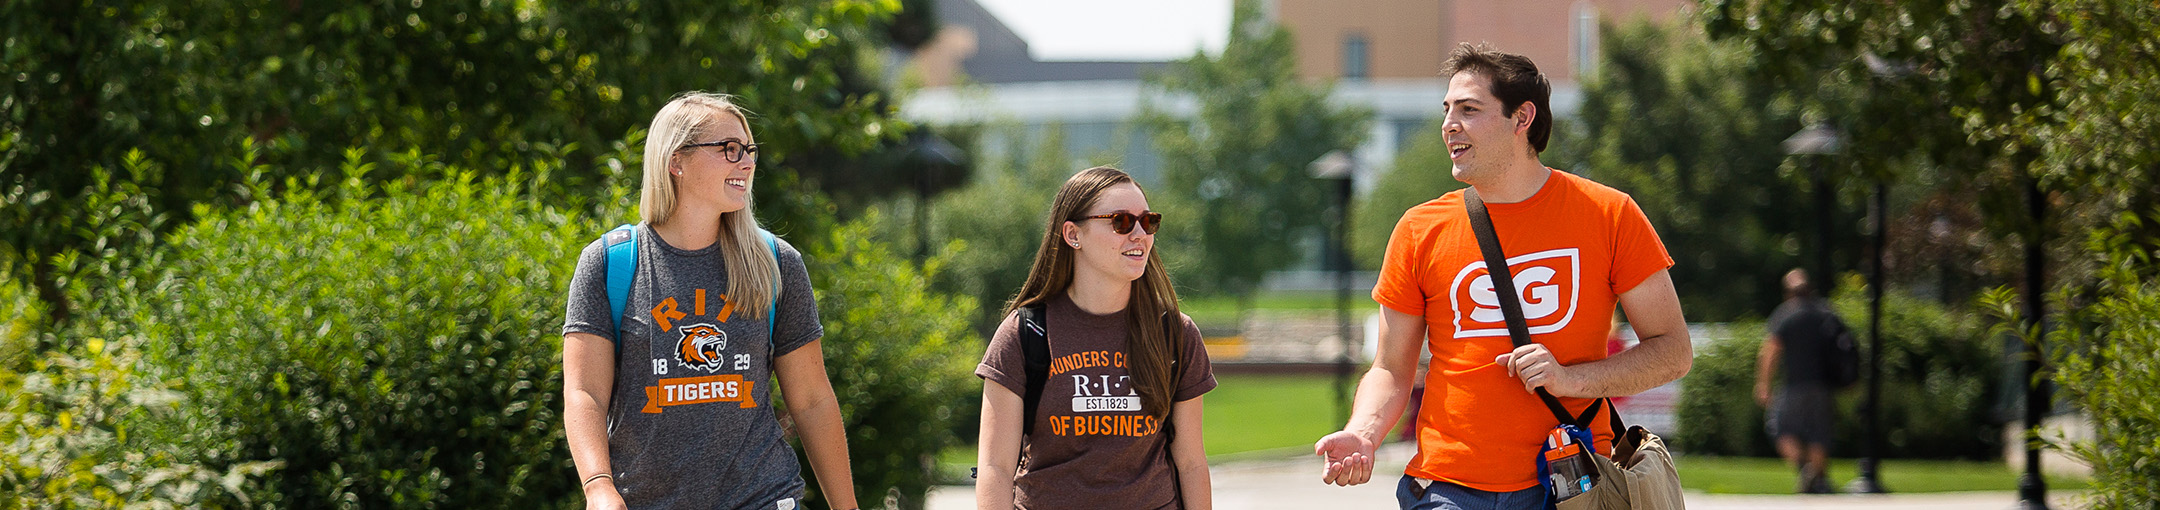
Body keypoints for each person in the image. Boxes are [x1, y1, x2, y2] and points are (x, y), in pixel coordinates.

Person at [1312, 43, 1694, 509]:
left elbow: (1672, 352)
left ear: (1522, 118)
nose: (1449, 124)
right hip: (1446, 489)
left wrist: (1571, 380)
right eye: (1447, 110)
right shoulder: (1418, 229)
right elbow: (1390, 368)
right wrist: (1363, 432)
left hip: (1572, 486)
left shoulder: (1610, 215)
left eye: (1469, 110)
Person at [560, 92, 858, 510]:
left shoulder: (776, 263)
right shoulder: (612, 263)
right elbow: (585, 392)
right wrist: (598, 487)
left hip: (763, 496)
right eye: (729, 149)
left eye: (749, 150)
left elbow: (811, 399)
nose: (747, 163)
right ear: (676, 161)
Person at [973, 167, 1217, 510]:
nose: (1140, 235)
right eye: (1121, 221)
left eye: (1148, 222)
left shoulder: (1175, 334)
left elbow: (1191, 463)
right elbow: (995, 468)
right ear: (1073, 234)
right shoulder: (1024, 334)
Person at [1755, 268, 1845, 494]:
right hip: (1822, 386)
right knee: (1819, 432)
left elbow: (1770, 351)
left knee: (1779, 428)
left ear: (1788, 292)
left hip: (1793, 385)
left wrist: (1763, 384)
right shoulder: (1826, 312)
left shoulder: (1786, 314)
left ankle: (1805, 470)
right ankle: (1819, 479)